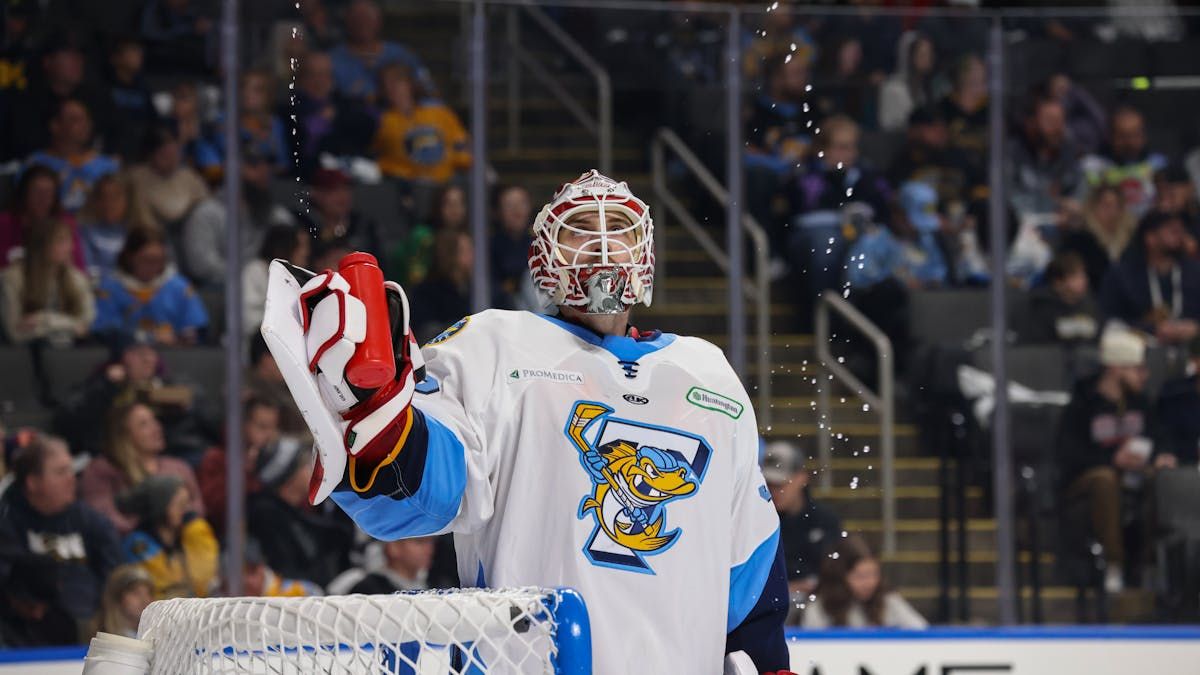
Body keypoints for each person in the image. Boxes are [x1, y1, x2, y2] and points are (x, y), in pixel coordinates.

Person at [265, 169, 790, 672]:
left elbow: (750, 561)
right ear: (544, 259)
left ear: (646, 253)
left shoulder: (709, 375)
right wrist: (373, 410)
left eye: (620, 230)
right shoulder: (492, 346)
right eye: (580, 231)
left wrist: (769, 666)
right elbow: (417, 495)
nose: (603, 246)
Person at [1056, 328, 1172, 593]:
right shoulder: (1083, 403)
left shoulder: (1141, 402)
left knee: (1159, 479)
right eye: (1138, 369)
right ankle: (1114, 565)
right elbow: (1069, 454)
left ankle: (1150, 566)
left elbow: (1161, 438)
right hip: (1085, 484)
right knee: (1105, 479)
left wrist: (1161, 457)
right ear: (1116, 368)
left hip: (1133, 478)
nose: (1145, 375)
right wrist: (1113, 459)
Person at [0, 434, 122, 633]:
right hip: (29, 629)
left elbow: (114, 571)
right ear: (33, 482)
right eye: (60, 472)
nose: (71, 479)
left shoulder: (90, 520)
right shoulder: (8, 522)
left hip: (92, 623)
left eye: (71, 470)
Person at [53, 331, 214, 461]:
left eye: (151, 353)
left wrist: (184, 408)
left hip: (171, 454)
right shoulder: (99, 385)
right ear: (121, 359)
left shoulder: (173, 384)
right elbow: (66, 421)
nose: (148, 359)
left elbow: (210, 419)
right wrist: (106, 387)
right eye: (139, 354)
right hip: (114, 457)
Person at [79, 402, 205, 536]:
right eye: (144, 424)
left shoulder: (178, 467)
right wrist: (147, 530)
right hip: (130, 544)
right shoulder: (101, 470)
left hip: (182, 540)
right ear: (123, 434)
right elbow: (103, 517)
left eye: (154, 420)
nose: (157, 428)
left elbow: (198, 508)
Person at [181, 147, 295, 288]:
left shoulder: (277, 215)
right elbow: (203, 267)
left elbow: (293, 256)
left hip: (269, 290)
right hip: (222, 292)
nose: (263, 171)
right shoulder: (206, 214)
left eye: (267, 164)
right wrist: (252, 278)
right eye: (254, 164)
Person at [246, 436, 351, 588]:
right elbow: (287, 571)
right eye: (306, 464)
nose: (313, 469)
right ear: (290, 475)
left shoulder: (301, 510)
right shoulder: (266, 515)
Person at [760, 440, 841, 624]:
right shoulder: (755, 521)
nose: (774, 490)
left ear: (801, 478)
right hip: (770, 608)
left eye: (781, 483)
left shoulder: (825, 520)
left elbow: (836, 573)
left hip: (819, 608)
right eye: (769, 484)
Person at [93, 227, 209, 345]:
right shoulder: (109, 289)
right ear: (129, 257)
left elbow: (196, 328)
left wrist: (180, 337)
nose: (153, 266)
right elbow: (104, 330)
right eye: (147, 259)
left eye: (159, 260)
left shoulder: (180, 288)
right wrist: (146, 337)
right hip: (126, 352)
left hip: (174, 352)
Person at [1099, 210, 1200, 344]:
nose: (1179, 233)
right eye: (1170, 229)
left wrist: (1196, 327)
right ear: (1150, 238)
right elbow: (1109, 320)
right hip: (1138, 348)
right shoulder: (1123, 276)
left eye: (1181, 229)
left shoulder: (1194, 273)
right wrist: (1151, 328)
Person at [118, 474, 219, 599]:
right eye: (180, 504)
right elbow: (163, 588)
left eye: (187, 503)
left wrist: (196, 531)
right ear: (160, 507)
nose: (187, 510)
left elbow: (205, 581)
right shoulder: (138, 543)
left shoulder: (190, 533)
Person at [0, 217, 95, 345]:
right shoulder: (12, 278)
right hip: (25, 353)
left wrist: (45, 320)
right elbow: (14, 333)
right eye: (61, 241)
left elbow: (86, 325)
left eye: (69, 241)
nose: (70, 248)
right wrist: (71, 326)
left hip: (69, 351)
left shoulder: (77, 279)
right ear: (41, 245)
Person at [372, 63, 470, 186]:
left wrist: (464, 162)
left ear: (410, 85)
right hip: (404, 186)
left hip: (444, 183)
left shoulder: (439, 113)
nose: (392, 88)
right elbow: (377, 156)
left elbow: (461, 147)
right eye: (387, 84)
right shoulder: (382, 120)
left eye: (398, 82)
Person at [802, 535, 927, 629]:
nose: (869, 583)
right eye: (860, 576)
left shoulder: (889, 600)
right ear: (841, 575)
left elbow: (921, 632)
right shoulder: (821, 607)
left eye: (874, 574)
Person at [197, 397, 279, 539]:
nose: (269, 435)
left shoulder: (276, 460)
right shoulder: (215, 459)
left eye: (273, 427)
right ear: (243, 424)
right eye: (262, 427)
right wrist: (246, 472)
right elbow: (217, 509)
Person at [25, 98, 120, 214]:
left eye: (86, 120)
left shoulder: (108, 166)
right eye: (75, 120)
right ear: (55, 125)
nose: (84, 125)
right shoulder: (36, 163)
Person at [329, 0, 434, 104]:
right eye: (357, 19)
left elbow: (429, 89)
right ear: (347, 21)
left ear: (379, 21)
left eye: (368, 19)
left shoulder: (402, 54)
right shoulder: (333, 60)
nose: (362, 24)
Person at [1008, 95, 1084, 222]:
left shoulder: (1069, 154)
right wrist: (1054, 203)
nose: (1057, 128)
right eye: (1050, 121)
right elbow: (1006, 200)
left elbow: (1079, 197)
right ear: (1031, 123)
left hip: (1060, 228)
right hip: (1021, 227)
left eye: (1060, 121)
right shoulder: (1012, 153)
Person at [1082, 106, 1167, 218]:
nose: (1130, 142)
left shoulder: (1158, 164)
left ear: (1144, 135)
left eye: (1135, 135)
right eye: (1123, 136)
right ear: (1110, 136)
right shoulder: (1093, 166)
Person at [0, 163, 86, 270]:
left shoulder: (65, 222)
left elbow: (79, 267)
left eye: (48, 193)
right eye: (37, 192)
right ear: (24, 193)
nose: (43, 199)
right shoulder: (5, 222)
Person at [127, 123, 209, 233]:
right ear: (151, 154)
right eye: (165, 154)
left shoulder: (188, 176)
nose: (172, 159)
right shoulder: (137, 178)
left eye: (175, 152)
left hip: (191, 233)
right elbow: (144, 222)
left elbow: (206, 206)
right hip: (154, 236)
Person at [1058, 184, 1137, 290]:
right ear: (1093, 206)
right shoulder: (1078, 240)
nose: (1112, 211)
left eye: (1117, 205)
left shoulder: (1131, 238)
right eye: (1106, 205)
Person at [387, 183, 466, 286]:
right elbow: (415, 278)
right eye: (449, 204)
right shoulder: (423, 237)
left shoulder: (466, 238)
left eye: (459, 204)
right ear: (438, 207)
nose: (455, 210)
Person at [298, 167, 382, 259]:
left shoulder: (363, 225)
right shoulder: (304, 224)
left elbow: (380, 261)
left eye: (346, 189)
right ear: (316, 194)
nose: (342, 196)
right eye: (333, 190)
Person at [243, 225, 309, 340]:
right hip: (259, 342)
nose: (306, 253)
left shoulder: (300, 278)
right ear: (284, 248)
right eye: (301, 246)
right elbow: (249, 319)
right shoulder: (255, 271)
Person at [408, 229, 474, 342]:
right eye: (466, 251)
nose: (472, 256)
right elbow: (426, 332)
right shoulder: (426, 292)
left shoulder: (472, 289)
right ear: (451, 255)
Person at [1025, 251, 1100, 344]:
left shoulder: (1090, 306)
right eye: (1075, 277)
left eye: (1083, 276)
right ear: (1058, 283)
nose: (1083, 281)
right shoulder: (1040, 309)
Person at [103, 36, 158, 162]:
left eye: (140, 50)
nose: (139, 55)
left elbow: (154, 122)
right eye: (133, 50)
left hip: (141, 155)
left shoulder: (143, 88)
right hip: (111, 156)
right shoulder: (105, 87)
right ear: (116, 58)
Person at [78, 173, 141, 280]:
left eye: (116, 197)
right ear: (96, 202)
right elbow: (89, 272)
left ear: (129, 200)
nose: (109, 203)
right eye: (103, 197)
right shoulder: (85, 233)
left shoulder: (139, 234)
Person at [326, 537, 435, 595]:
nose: (429, 549)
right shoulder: (367, 589)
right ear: (393, 547)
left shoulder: (432, 587)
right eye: (420, 542)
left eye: (431, 542)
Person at [245, 334, 307, 435]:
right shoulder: (250, 391)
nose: (289, 362)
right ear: (266, 358)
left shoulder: (280, 386)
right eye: (283, 356)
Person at [878, 32, 937, 132]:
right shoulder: (892, 88)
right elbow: (887, 126)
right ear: (909, 57)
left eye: (930, 54)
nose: (928, 59)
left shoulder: (927, 87)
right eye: (923, 55)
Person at [490, 184, 534, 309]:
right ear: (497, 211)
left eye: (522, 203)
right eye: (509, 205)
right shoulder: (488, 247)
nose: (517, 210)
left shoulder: (541, 244)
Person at [97, 564, 155, 638]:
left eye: (149, 593)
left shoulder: (155, 635)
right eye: (136, 593)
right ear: (117, 597)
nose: (146, 600)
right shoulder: (101, 637)